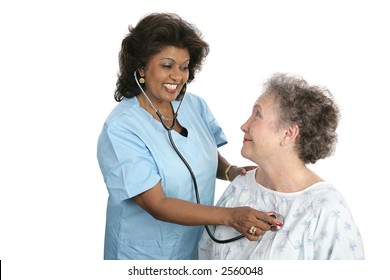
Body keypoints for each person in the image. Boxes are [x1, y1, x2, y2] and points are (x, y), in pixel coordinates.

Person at [97, 13, 278, 260]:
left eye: (184, 67)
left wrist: (230, 172)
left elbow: (200, 152)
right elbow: (157, 205)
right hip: (143, 257)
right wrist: (232, 216)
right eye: (167, 65)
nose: (178, 76)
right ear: (140, 68)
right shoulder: (121, 128)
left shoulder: (194, 105)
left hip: (194, 247)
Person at [198, 73, 365, 260]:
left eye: (257, 115)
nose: (244, 126)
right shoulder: (241, 186)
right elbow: (205, 253)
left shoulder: (327, 209)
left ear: (288, 133)